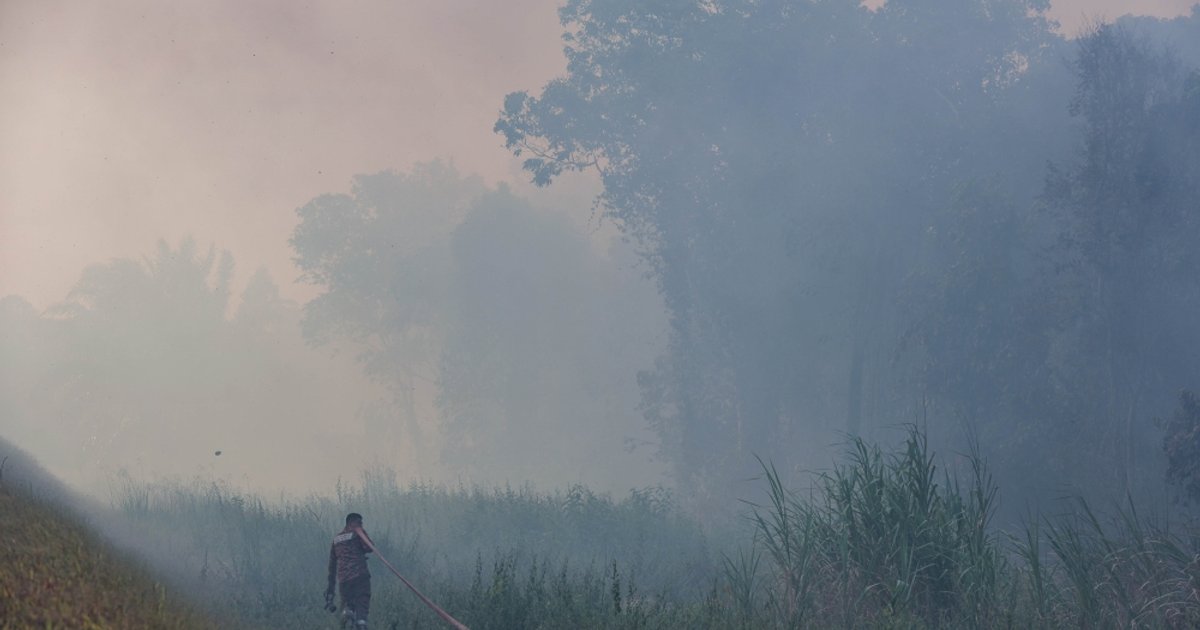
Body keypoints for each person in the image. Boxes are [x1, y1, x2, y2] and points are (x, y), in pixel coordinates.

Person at [325, 512, 373, 628]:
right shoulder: (357, 534)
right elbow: (369, 547)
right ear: (351, 523)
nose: (361, 525)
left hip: (344, 580)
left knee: (348, 603)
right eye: (359, 523)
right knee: (362, 599)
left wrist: (331, 589)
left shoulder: (336, 539)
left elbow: (332, 566)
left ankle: (347, 613)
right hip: (360, 576)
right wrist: (362, 533)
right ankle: (361, 623)